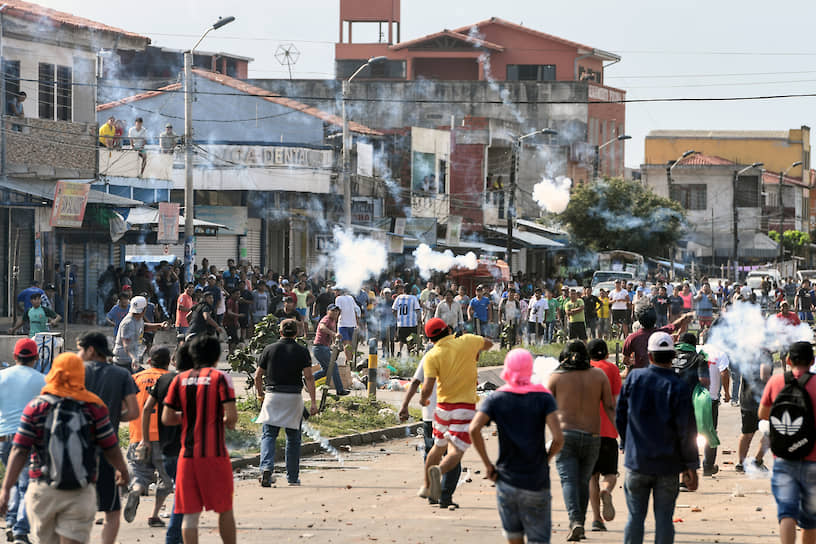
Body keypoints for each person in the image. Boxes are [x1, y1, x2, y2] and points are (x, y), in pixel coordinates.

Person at [0, 353, 129, 544]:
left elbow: (20, 450)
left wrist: (6, 489)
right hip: (80, 489)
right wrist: (123, 471)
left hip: (43, 490)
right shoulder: (94, 407)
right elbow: (110, 446)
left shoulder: (36, 407)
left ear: (53, 374)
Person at [469, 349, 564, 543]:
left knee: (514, 538)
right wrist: (546, 458)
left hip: (507, 482)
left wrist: (488, 465)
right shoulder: (543, 397)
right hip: (536, 481)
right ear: (530, 369)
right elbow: (558, 438)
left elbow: (474, 429)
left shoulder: (497, 398)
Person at [616, 332, 699, 544]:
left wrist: (625, 442)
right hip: (668, 466)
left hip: (637, 463)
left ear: (650, 356)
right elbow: (687, 430)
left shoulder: (634, 378)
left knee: (635, 518)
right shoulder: (679, 386)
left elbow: (620, 416)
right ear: (672, 356)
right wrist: (691, 466)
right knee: (664, 519)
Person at [162, 335, 238, 544]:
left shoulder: (180, 379)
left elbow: (167, 418)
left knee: (190, 514)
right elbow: (231, 418)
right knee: (224, 509)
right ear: (216, 356)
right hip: (214, 454)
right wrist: (216, 419)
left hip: (187, 456)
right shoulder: (220, 378)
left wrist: (188, 417)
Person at [547, 340, 616, 541]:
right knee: (583, 481)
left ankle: (575, 521)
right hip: (593, 437)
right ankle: (580, 523)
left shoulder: (555, 378)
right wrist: (624, 433)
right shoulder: (599, 375)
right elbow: (610, 408)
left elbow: (543, 408)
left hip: (565, 437)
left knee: (569, 480)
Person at [419, 318, 492, 503]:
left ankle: (427, 486)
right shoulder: (467, 341)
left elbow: (427, 388)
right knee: (455, 452)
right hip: (464, 408)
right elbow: (489, 344)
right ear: (449, 330)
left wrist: (422, 399)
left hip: (442, 408)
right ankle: (439, 471)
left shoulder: (432, 355)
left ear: (429, 339)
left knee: (437, 448)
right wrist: (475, 350)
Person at [79, 332, 139, 544]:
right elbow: (133, 412)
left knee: (75, 508)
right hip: (108, 450)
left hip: (75, 449)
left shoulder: (75, 372)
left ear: (91, 350)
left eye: (80, 349)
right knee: (111, 509)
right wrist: (112, 415)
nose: (79, 354)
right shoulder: (121, 375)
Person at [758, 341, 816, 544]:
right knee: (810, 520)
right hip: (813, 460)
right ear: (813, 360)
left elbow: (763, 414)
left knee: (787, 513)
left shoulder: (776, 381)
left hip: (783, 458)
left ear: (788, 360)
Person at [255, 319, 318, 487]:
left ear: (280, 332)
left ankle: (266, 468)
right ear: (296, 333)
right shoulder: (302, 351)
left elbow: (258, 375)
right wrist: (313, 402)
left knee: (269, 435)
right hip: (293, 398)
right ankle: (292, 477)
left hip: (273, 396)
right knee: (293, 438)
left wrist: (261, 393)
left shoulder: (269, 349)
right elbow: (309, 377)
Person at [142, 344, 194, 544]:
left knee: (180, 492)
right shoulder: (195, 383)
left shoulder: (164, 380)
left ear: (174, 361)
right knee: (184, 496)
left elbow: (147, 409)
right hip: (187, 450)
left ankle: (176, 536)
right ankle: (173, 538)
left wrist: (146, 440)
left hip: (165, 448)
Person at [398, 351, 462, 509]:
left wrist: (405, 405)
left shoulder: (428, 356)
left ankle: (430, 490)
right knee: (452, 455)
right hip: (449, 413)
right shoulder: (456, 355)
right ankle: (445, 496)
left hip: (429, 415)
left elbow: (415, 382)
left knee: (431, 451)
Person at [123, 347, 173, 528]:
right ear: (169, 362)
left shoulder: (135, 378)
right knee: (166, 479)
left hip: (138, 435)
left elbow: (124, 407)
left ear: (149, 361)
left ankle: (136, 489)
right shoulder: (169, 380)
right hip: (164, 438)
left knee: (140, 474)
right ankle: (154, 515)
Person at [0, 339, 44, 544]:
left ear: (15, 356)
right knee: (27, 484)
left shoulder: (1, 377)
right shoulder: (43, 380)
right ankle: (20, 529)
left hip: (5, 439)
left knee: (15, 481)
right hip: (30, 441)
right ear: (36, 357)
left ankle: (11, 521)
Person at [587, 339, 622, 533]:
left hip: (587, 430)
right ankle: (607, 490)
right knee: (610, 473)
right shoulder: (611, 369)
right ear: (607, 354)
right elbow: (615, 400)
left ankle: (596, 519)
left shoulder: (583, 369)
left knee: (592, 477)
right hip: (608, 430)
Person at [622, 306, 692, 375]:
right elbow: (673, 326)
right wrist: (683, 318)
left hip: (641, 374)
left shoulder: (631, 338)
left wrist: (632, 363)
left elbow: (625, 360)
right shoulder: (661, 334)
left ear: (639, 320)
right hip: (661, 374)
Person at [736, 347, 773, 473]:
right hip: (760, 400)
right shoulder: (764, 354)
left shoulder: (748, 352)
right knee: (769, 432)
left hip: (746, 398)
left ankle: (741, 463)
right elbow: (765, 375)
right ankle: (757, 461)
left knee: (746, 432)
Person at [113, 296, 170, 372]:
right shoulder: (127, 323)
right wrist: (133, 358)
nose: (138, 313)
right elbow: (126, 344)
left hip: (131, 360)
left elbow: (143, 327)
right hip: (124, 361)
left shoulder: (138, 318)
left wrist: (159, 325)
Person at [312, 304, 348, 396]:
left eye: (336, 311)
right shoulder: (326, 319)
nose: (335, 313)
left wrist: (334, 344)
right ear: (328, 311)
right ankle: (339, 390)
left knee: (326, 370)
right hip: (320, 347)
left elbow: (333, 336)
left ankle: (308, 378)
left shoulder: (333, 321)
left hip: (323, 348)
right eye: (333, 311)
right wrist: (333, 334)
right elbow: (322, 327)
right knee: (333, 366)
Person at [392, 284, 421, 356]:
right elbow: (418, 310)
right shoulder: (413, 298)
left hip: (401, 323)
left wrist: (398, 318)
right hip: (411, 323)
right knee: (410, 340)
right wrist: (419, 320)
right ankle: (409, 354)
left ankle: (400, 352)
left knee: (401, 339)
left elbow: (393, 310)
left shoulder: (399, 298)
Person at [334, 288, 361, 364]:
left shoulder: (338, 299)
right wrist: (357, 322)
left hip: (343, 324)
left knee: (346, 345)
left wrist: (334, 321)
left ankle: (349, 363)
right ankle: (349, 361)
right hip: (352, 324)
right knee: (350, 345)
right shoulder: (350, 297)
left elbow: (338, 310)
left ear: (338, 291)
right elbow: (357, 309)